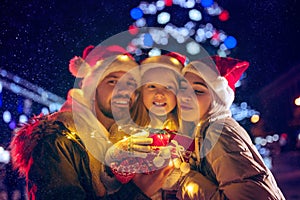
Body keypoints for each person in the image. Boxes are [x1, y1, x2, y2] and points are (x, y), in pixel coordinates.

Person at [9, 45, 173, 200]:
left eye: (130, 84)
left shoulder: (133, 142)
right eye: (113, 81)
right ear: (92, 89)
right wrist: (137, 193)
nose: (123, 91)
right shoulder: (58, 141)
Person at [176, 56, 285, 199]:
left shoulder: (218, 132)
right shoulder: (206, 129)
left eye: (198, 91)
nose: (185, 96)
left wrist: (185, 179)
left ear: (218, 99)